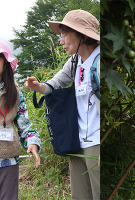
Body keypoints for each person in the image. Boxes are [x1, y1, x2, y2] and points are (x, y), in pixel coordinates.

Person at [25, 9, 100, 200]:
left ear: (82, 35)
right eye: (60, 35)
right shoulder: (75, 62)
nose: (61, 41)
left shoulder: (100, 61)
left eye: (65, 34)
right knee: (80, 196)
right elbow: (54, 84)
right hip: (77, 142)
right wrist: (38, 86)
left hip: (98, 144)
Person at [0, 41, 41, 200]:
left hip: (8, 162)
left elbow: (25, 127)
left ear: (6, 63)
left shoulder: (16, 94)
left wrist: (32, 143)